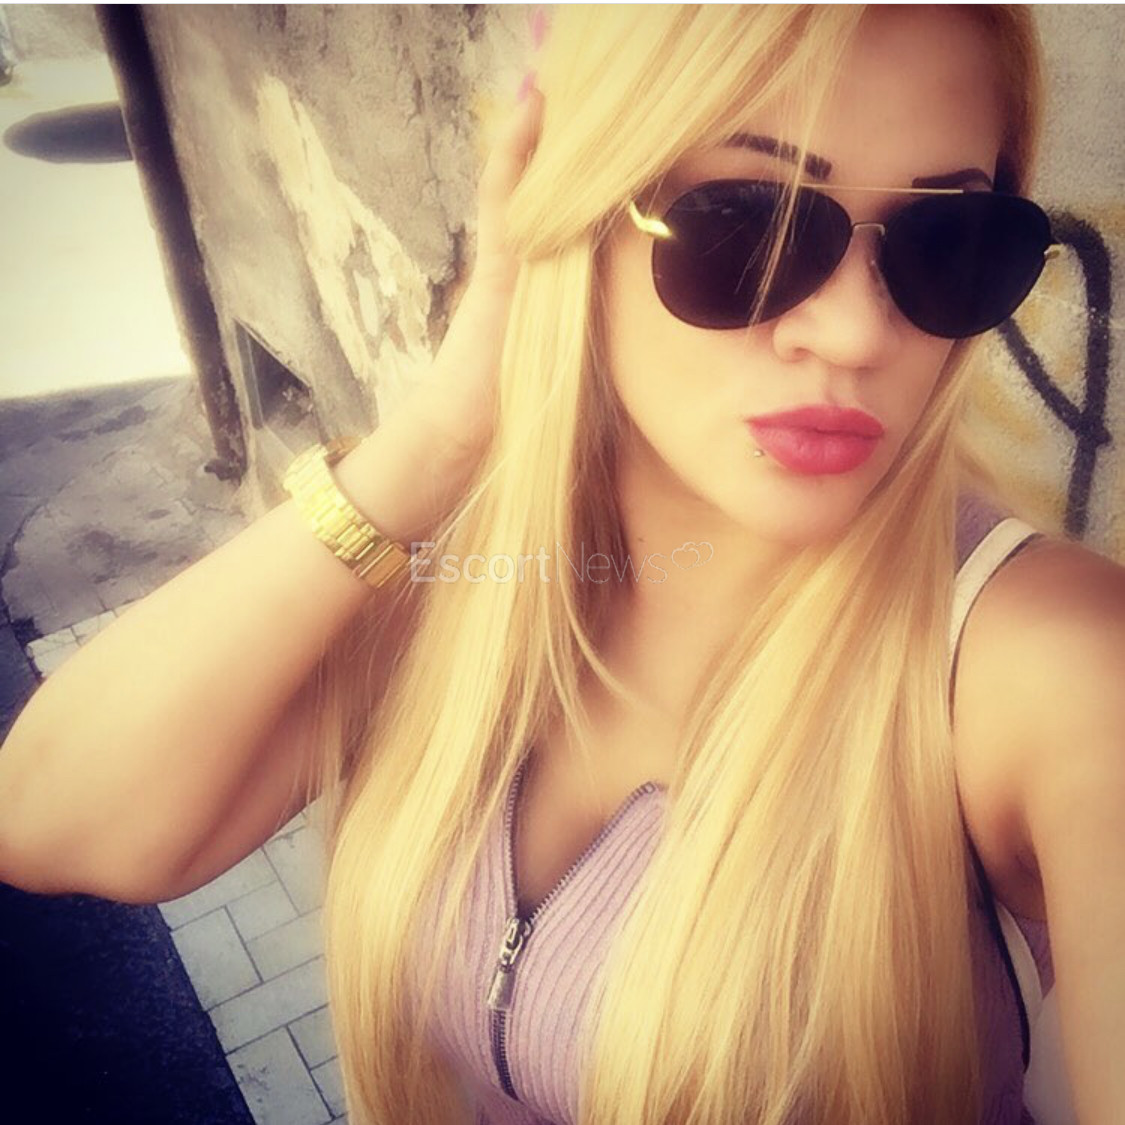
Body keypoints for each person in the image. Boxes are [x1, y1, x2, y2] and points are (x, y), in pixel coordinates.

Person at [2, 5, 1123, 1124]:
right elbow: (58, 821)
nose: (857, 335)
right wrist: (436, 435)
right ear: (584, 218)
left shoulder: (1048, 666)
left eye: (949, 242)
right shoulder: (461, 580)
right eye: (751, 225)